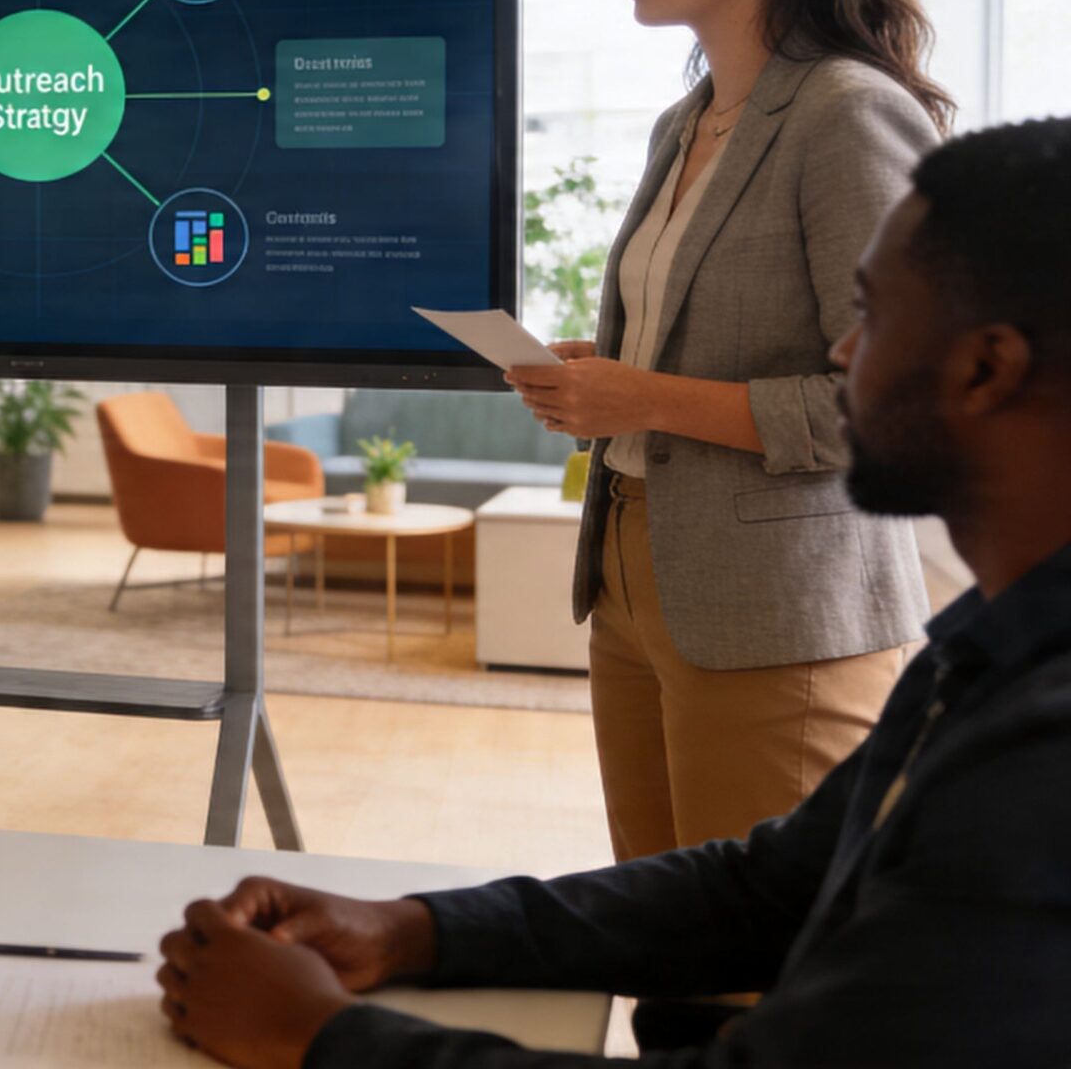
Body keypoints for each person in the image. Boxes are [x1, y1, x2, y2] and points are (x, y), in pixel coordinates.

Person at [158, 118, 1071, 1069]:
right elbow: (768, 886)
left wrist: (321, 1038)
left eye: (871, 314)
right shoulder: (985, 659)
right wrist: (411, 929)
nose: (841, 353)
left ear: (985, 368)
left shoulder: (1043, 762)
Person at [504, 0, 949, 861]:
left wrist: (642, 396)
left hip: (777, 607)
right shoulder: (683, 120)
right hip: (631, 566)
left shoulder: (846, 112)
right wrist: (602, 383)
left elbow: (890, 406)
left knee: (754, 968)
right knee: (655, 931)